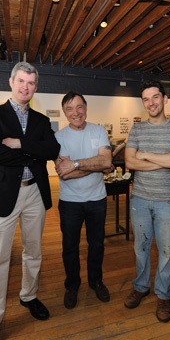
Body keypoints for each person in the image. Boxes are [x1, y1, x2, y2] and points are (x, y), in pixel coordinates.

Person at [0, 62, 60, 340]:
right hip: (3, 194)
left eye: (31, 83)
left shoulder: (40, 120)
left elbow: (52, 150)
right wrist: (31, 152)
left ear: (36, 87)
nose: (26, 87)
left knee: (33, 251)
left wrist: (18, 144)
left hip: (35, 192)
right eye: (22, 81)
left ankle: (29, 296)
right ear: (11, 82)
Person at [123, 80, 170, 323]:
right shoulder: (137, 130)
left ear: (165, 99)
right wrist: (164, 159)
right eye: (146, 99)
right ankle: (141, 286)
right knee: (140, 249)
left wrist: (146, 155)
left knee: (166, 251)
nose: (150, 103)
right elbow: (130, 163)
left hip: (168, 202)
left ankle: (163, 294)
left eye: (155, 97)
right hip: (140, 199)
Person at [54, 91, 114, 309]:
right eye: (69, 109)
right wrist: (97, 164)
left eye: (79, 107)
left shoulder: (98, 131)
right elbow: (64, 173)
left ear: (86, 108)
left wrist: (76, 164)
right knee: (69, 246)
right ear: (64, 113)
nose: (75, 113)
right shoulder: (59, 137)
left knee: (96, 244)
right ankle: (72, 285)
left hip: (97, 200)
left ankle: (96, 281)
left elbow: (107, 162)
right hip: (69, 201)